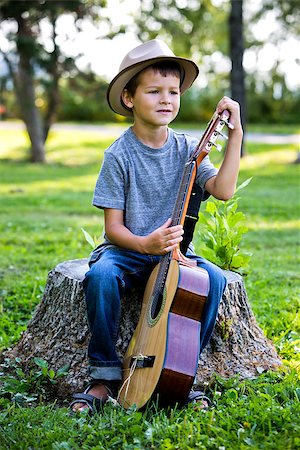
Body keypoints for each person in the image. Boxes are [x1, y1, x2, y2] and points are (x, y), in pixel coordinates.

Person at [71, 39, 243, 413]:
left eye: (173, 91)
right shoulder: (119, 154)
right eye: (154, 91)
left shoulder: (188, 149)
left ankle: (183, 373)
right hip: (128, 249)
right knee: (100, 276)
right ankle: (103, 377)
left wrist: (236, 137)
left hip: (175, 253)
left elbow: (223, 190)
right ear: (130, 99)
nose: (166, 99)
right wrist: (146, 244)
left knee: (214, 280)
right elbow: (113, 228)